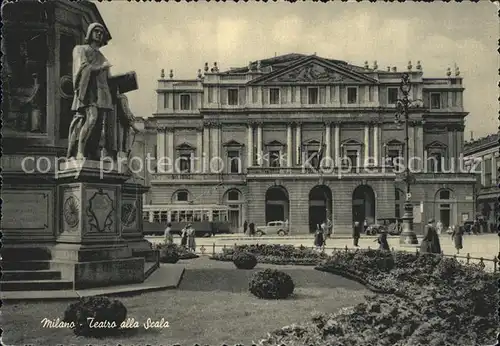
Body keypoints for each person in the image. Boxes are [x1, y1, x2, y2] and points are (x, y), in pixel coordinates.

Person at [67, 23, 114, 160]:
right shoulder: (80, 49)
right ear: (89, 33)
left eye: (101, 32)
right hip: (88, 91)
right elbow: (83, 68)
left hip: (101, 93)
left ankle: (92, 151)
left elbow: (108, 78)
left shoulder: (102, 56)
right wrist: (101, 67)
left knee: (99, 124)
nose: (99, 34)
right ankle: (79, 151)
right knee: (91, 118)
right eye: (96, 31)